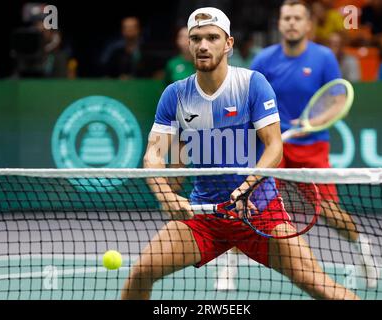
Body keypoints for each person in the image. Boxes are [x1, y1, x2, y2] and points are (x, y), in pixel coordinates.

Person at [121, 6, 359, 300]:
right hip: (205, 214)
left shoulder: (251, 84)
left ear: (228, 43)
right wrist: (167, 197)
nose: (203, 45)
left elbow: (274, 146)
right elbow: (153, 155)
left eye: (212, 37)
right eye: (196, 38)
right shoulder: (176, 94)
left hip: (260, 213)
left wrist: (247, 187)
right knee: (141, 272)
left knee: (321, 287)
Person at [215, 0, 380, 291]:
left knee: (329, 210)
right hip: (271, 144)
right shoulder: (265, 59)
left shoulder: (324, 58)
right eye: (286, 18)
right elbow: (249, 99)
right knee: (245, 200)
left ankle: (363, 250)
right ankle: (229, 266)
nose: (291, 23)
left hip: (311, 146)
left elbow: (337, 99)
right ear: (280, 24)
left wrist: (312, 124)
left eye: (297, 18)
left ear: (307, 25)